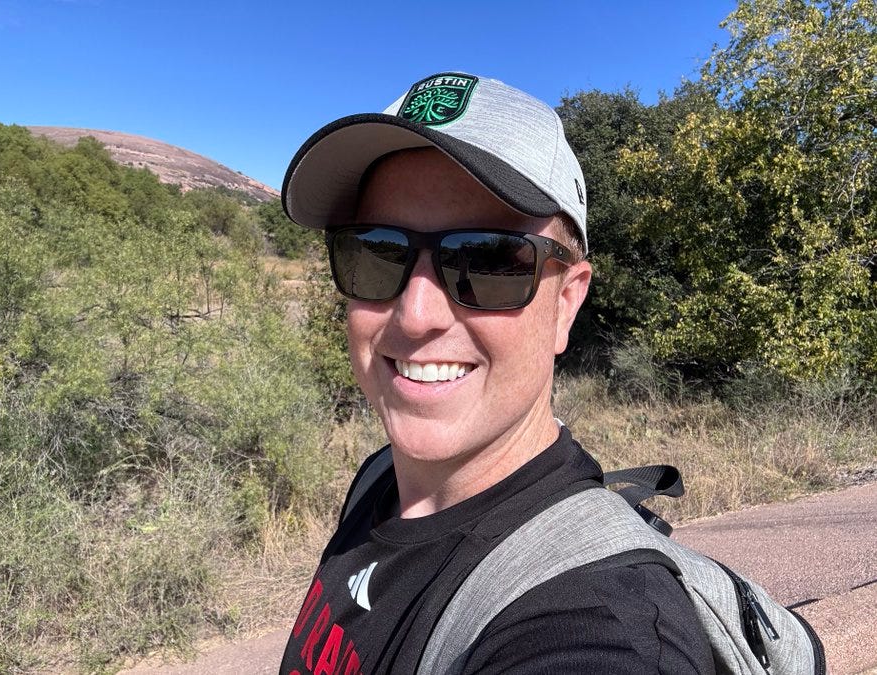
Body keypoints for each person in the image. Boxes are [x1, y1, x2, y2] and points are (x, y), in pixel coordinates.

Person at [278, 72, 714, 674]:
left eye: (487, 260)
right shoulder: (379, 481)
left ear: (566, 303)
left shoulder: (600, 622)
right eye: (377, 250)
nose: (417, 313)